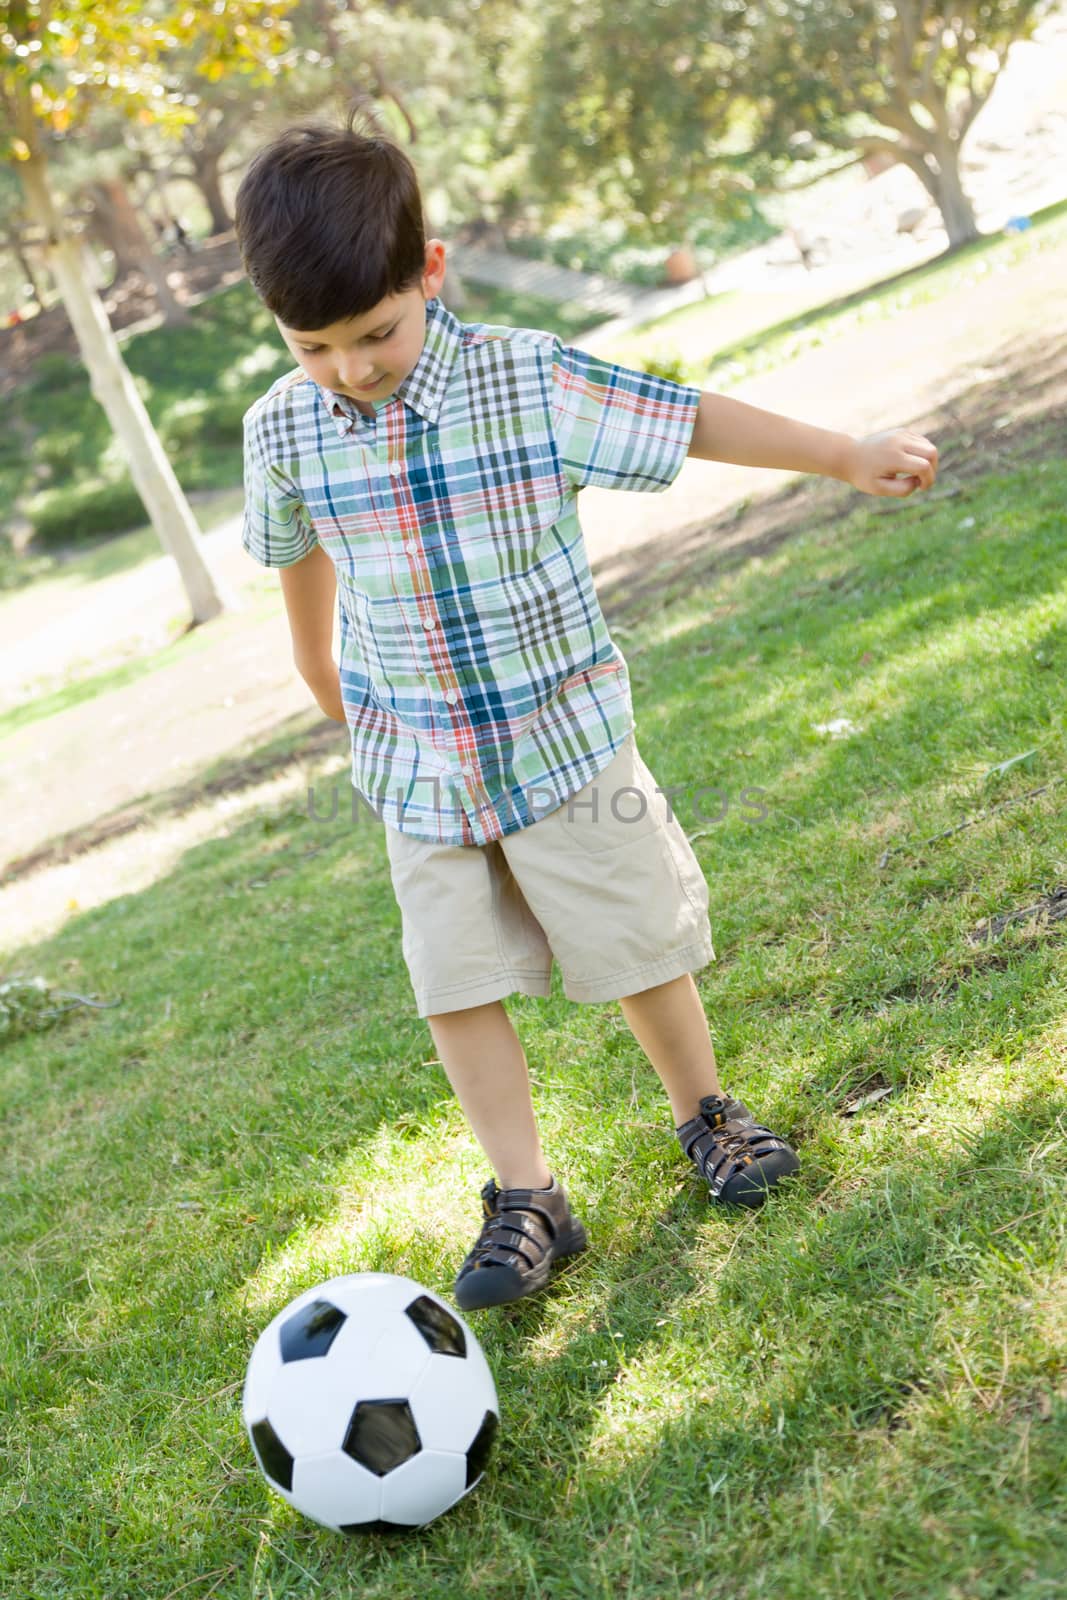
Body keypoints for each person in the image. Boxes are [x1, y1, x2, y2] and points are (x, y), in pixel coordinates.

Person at [233, 111, 939, 1312]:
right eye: (315, 345)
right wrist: (330, 696)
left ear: (431, 272)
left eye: (375, 332)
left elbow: (685, 416)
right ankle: (526, 1197)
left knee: (634, 946)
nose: (349, 367)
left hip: (561, 741)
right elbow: (303, 578)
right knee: (452, 982)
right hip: (418, 769)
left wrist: (840, 453)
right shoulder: (281, 432)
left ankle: (704, 1113)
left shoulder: (525, 375)